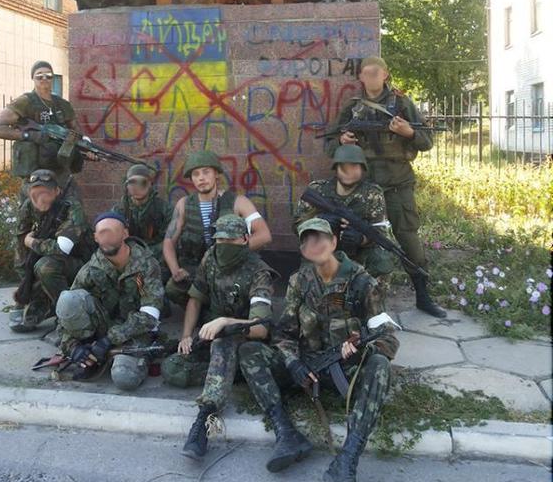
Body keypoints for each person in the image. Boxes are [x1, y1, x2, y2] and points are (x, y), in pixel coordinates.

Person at [238, 218, 400, 482]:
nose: (315, 244)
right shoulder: (300, 282)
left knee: (379, 366)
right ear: (302, 248)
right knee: (250, 351)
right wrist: (292, 364)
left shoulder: (362, 282)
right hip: (307, 368)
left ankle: (346, 462)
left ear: (334, 242)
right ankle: (287, 434)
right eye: (308, 240)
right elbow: (284, 333)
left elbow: (388, 336)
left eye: (321, 238)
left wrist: (363, 347)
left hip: (345, 369)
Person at [324, 56, 446, 318]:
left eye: (376, 73)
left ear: (385, 75)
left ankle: (423, 296)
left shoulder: (402, 104)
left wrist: (408, 133)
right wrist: (343, 140)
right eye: (366, 73)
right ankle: (356, 298)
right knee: (357, 240)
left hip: (397, 184)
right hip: (363, 189)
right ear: (360, 77)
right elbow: (330, 146)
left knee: (408, 239)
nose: (371, 78)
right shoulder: (353, 107)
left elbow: (427, 141)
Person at [161, 213, 275, 460]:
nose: (223, 245)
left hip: (244, 338)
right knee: (172, 368)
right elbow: (196, 297)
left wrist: (225, 322)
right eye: (219, 240)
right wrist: (185, 336)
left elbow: (261, 327)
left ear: (245, 239)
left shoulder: (259, 272)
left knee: (224, 341)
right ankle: (228, 374)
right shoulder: (210, 258)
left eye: (230, 240)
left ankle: (203, 420)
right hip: (210, 336)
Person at [55, 211, 164, 390]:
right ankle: (89, 356)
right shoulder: (90, 270)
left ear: (125, 234)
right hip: (98, 332)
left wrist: (108, 340)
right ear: (96, 238)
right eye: (102, 232)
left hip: (134, 333)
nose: (107, 236)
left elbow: (149, 316)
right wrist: (72, 347)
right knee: (68, 299)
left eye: (113, 230)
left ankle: (106, 359)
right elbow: (66, 315)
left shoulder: (145, 267)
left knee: (124, 378)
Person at [162, 150, 271, 307]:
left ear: (216, 174)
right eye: (195, 174)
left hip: (231, 268)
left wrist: (232, 251)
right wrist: (175, 270)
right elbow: (168, 242)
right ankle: (204, 313)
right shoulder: (184, 204)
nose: (201, 178)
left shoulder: (238, 202)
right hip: (199, 269)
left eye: (206, 172)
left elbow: (264, 235)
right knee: (174, 289)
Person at [0, 60, 92, 199]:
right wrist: (29, 136)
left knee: (71, 208)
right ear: (33, 78)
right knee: (35, 212)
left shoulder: (62, 105)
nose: (44, 78)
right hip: (35, 173)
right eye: (39, 75)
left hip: (60, 169)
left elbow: (76, 133)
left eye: (48, 75)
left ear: (53, 78)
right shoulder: (25, 102)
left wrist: (86, 149)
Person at [293, 143, 395, 282]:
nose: (350, 172)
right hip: (324, 249)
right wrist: (320, 221)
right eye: (344, 168)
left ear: (362, 169)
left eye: (354, 167)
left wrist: (361, 239)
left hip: (358, 253)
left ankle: (369, 300)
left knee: (382, 260)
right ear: (336, 168)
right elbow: (297, 224)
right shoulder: (318, 190)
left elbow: (381, 233)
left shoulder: (372, 194)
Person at [9, 169, 94, 333]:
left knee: (45, 266)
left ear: (57, 191)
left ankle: (67, 314)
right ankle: (42, 302)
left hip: (81, 265)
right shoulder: (28, 207)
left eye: (45, 191)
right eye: (35, 192)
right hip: (50, 260)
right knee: (33, 267)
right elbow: (20, 245)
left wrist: (32, 242)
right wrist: (25, 283)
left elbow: (63, 249)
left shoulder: (71, 208)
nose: (40, 197)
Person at [112, 163, 173, 274]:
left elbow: (169, 240)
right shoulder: (119, 210)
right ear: (126, 186)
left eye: (142, 182)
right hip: (127, 256)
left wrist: (144, 254)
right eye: (132, 182)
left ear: (150, 184)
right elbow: (113, 239)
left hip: (156, 257)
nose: (137, 187)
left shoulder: (164, 209)